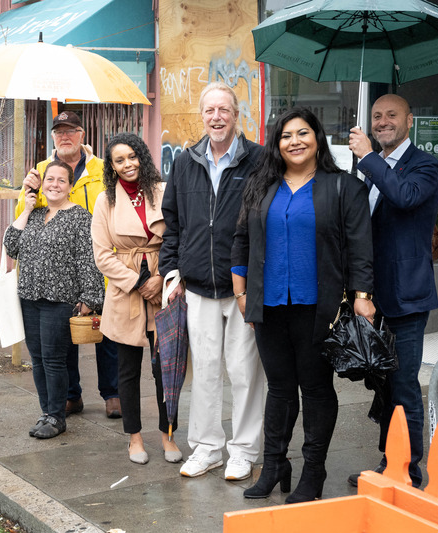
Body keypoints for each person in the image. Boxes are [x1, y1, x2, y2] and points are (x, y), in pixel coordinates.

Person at [231, 108, 374, 503]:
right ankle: (275, 465)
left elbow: (361, 248)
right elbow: (241, 240)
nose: (294, 141)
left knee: (314, 389)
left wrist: (363, 297)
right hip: (269, 304)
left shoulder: (343, 187)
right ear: (276, 144)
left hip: (320, 308)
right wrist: (242, 295)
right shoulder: (262, 186)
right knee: (278, 389)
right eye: (285, 135)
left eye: (303, 133)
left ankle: (313, 472)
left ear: (318, 138)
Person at [158, 82, 265, 481]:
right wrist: (172, 272)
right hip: (197, 284)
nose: (216, 117)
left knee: (243, 371)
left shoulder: (259, 159)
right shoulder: (186, 161)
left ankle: (243, 449)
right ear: (201, 116)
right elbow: (174, 223)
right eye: (209, 111)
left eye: (224, 110)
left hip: (242, 287)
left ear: (237, 115)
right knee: (202, 370)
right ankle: (207, 447)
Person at [347, 94, 438, 488]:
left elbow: (403, 198)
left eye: (391, 115)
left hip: (406, 298)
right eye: (376, 116)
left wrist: (369, 158)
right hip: (372, 298)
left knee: (403, 387)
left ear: (409, 120)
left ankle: (408, 472)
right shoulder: (370, 169)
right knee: (383, 387)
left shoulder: (424, 165)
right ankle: (391, 463)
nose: (383, 121)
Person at [16, 111, 121, 419]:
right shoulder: (41, 170)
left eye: (70, 131)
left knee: (107, 331)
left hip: (101, 263)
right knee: (62, 338)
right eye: (58, 132)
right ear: (52, 138)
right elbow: (26, 217)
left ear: (82, 134)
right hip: (59, 273)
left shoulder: (103, 170)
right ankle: (71, 395)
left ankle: (112, 393)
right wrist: (29, 192)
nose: (64, 137)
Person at [91, 132, 182, 465]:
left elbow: (179, 238)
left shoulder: (162, 191)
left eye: (132, 156)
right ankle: (134, 438)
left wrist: (161, 278)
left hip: (164, 284)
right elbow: (102, 255)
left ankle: (167, 435)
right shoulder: (106, 200)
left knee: (166, 369)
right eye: (119, 160)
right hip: (125, 290)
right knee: (127, 370)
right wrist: (137, 282)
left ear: (142, 157)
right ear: (112, 167)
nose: (127, 164)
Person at [5, 160, 105, 439]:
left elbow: (90, 260)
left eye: (61, 180)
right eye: (50, 179)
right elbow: (11, 246)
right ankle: (46, 412)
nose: (55, 185)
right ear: (42, 184)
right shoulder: (34, 215)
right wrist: (26, 207)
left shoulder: (81, 218)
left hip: (61, 301)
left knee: (53, 359)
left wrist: (90, 298)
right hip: (29, 297)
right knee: (37, 359)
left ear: (70, 187)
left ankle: (57, 416)